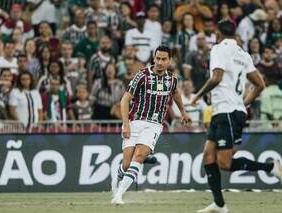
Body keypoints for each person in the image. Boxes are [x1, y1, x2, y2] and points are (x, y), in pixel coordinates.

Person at [191, 19, 282, 213]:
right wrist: (243, 103)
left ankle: (270, 168)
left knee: (224, 163)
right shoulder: (243, 54)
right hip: (226, 112)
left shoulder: (218, 49)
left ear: (218, 34)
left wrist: (198, 95)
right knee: (208, 156)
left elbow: (216, 77)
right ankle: (219, 204)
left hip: (227, 113)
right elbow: (260, 85)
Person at [111, 46, 192, 204]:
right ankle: (118, 174)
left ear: (169, 60)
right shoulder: (142, 75)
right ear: (154, 58)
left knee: (139, 157)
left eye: (164, 59)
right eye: (158, 59)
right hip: (134, 121)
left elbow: (175, 92)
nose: (160, 62)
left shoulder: (172, 79)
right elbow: (125, 99)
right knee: (127, 164)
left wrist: (183, 112)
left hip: (154, 124)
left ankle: (119, 195)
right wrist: (125, 124)